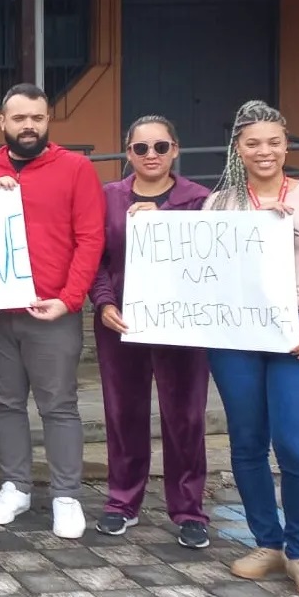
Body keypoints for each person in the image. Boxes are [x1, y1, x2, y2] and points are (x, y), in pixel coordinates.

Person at [204, 101, 299, 597]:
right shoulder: (221, 204)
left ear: (287, 144)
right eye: (252, 143)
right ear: (238, 149)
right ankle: (266, 542)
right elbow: (205, 271)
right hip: (237, 332)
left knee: (295, 446)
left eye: (272, 142)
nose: (263, 151)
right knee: (246, 443)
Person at [0, 83, 105, 539]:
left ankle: (66, 494)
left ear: (48, 121)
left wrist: (69, 299)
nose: (29, 125)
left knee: (59, 406)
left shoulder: (76, 168)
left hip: (52, 309)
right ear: (2, 123)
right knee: (5, 403)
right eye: (20, 118)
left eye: (38, 118)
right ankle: (15, 485)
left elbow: (90, 239)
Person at [90, 116, 212, 548]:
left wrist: (159, 218)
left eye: (160, 147)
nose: (151, 156)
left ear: (175, 150)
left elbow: (213, 255)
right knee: (124, 413)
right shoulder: (107, 198)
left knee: (186, 416)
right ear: (128, 154)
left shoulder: (199, 200)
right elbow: (96, 258)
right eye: (141, 149)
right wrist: (104, 302)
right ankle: (122, 502)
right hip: (121, 321)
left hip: (182, 324)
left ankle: (188, 509)